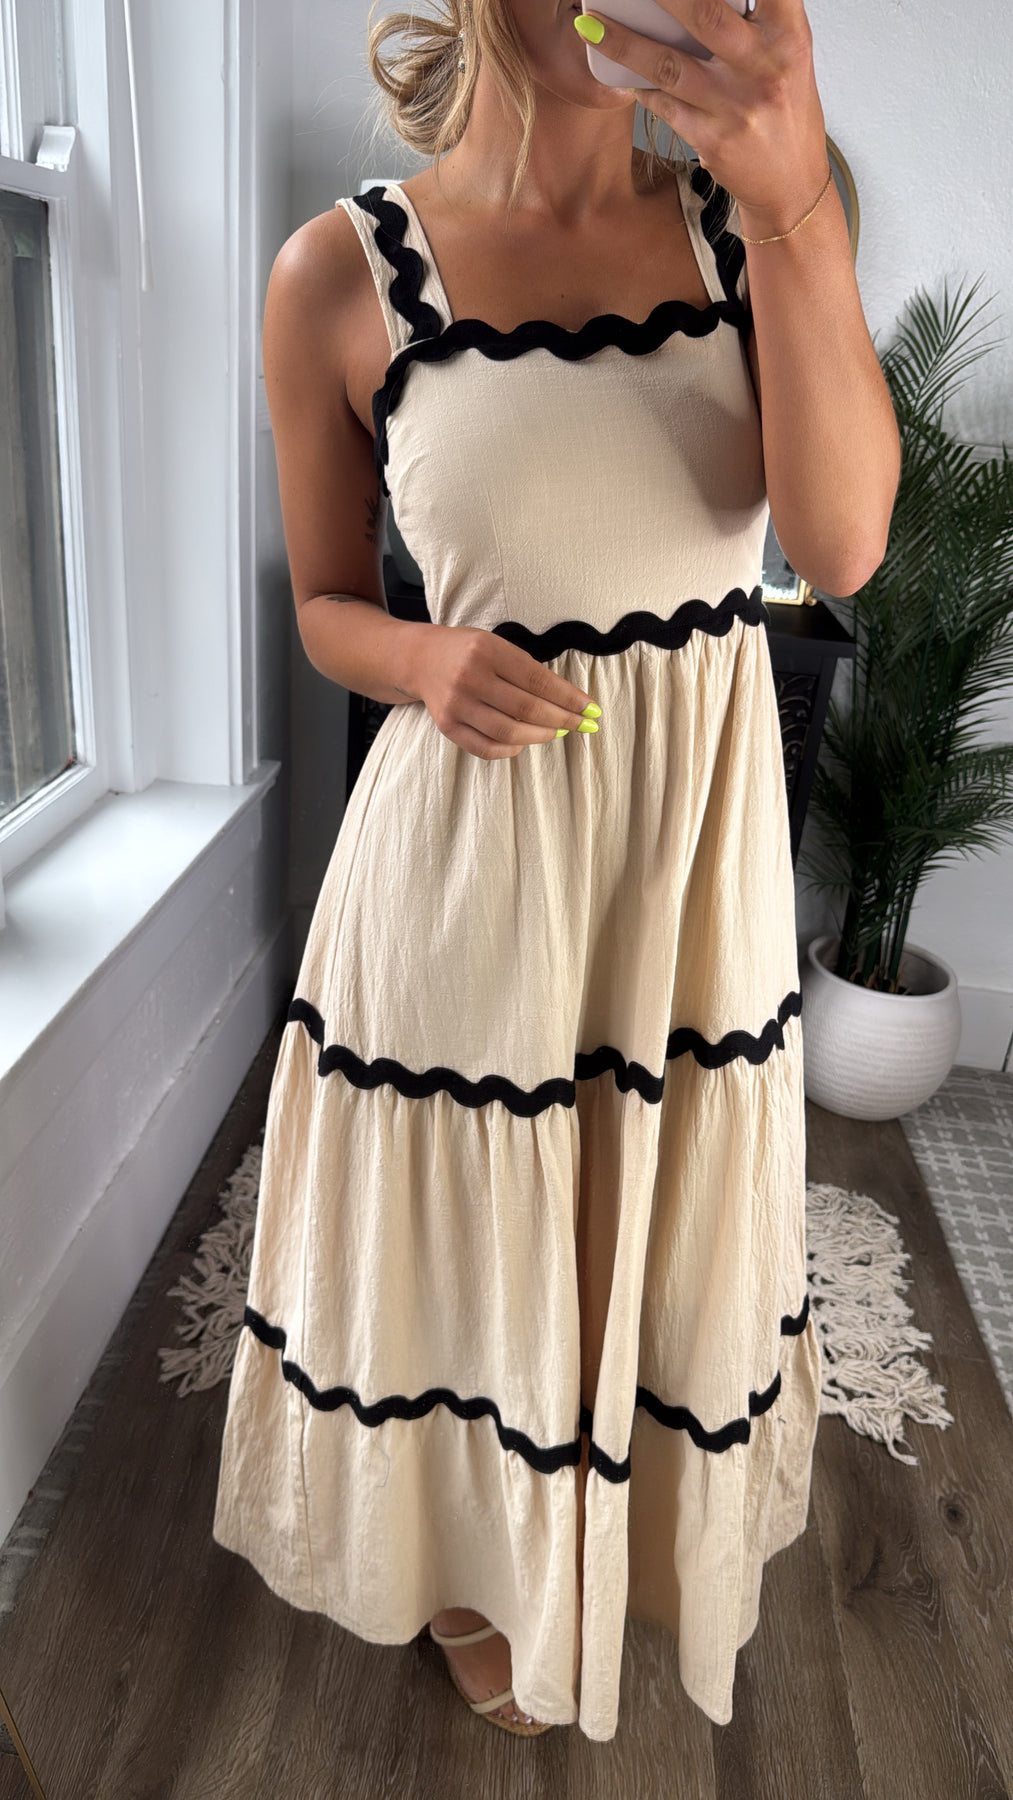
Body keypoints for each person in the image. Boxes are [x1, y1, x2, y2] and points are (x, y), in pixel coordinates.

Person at [211, 0, 901, 1743]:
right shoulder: (335, 276)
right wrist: (422, 658)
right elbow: (324, 605)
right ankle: (474, 1547)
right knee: (466, 1250)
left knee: (650, 1228)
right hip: (462, 869)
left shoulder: (750, 221)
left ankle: (617, 1532)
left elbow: (839, 544)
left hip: (682, 886)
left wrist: (793, 203)